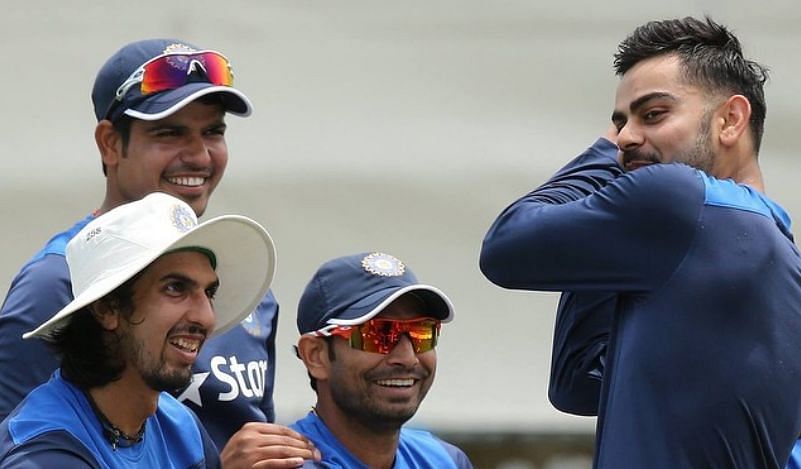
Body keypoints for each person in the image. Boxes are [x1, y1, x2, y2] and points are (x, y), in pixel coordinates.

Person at [479, 16, 801, 468]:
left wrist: (601, 156)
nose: (626, 137)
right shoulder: (783, 263)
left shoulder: (680, 199)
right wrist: (610, 243)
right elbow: (578, 381)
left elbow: (505, 247)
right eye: (619, 123)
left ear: (731, 120)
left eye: (653, 114)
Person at [0, 38, 317, 466]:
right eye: (169, 133)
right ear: (110, 144)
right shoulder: (56, 281)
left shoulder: (246, 286)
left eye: (214, 132)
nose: (199, 155)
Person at [0, 192, 276, 467]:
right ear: (106, 309)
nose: (206, 317)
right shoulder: (43, 454)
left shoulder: (181, 426)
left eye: (209, 292)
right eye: (175, 288)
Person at [291, 252, 473, 468]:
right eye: (379, 334)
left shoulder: (444, 460)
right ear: (316, 356)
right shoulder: (282, 463)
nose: (407, 358)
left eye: (422, 332)